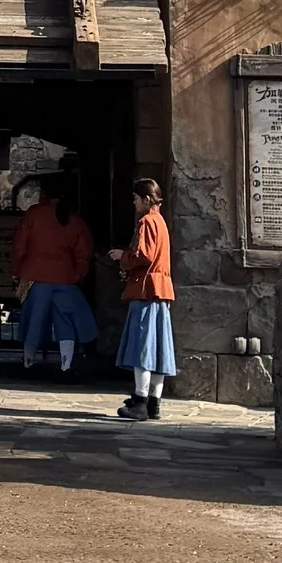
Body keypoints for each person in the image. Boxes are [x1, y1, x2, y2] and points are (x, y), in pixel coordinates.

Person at [10, 171, 96, 378]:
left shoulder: (33, 214)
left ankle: (28, 361)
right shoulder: (74, 220)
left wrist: (16, 271)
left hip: (36, 276)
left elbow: (20, 245)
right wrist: (77, 275)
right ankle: (66, 365)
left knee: (33, 321)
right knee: (65, 323)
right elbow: (84, 252)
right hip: (66, 278)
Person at [109, 176, 177, 420]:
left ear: (147, 199)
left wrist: (123, 256)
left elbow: (144, 256)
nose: (134, 203)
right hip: (161, 290)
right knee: (159, 349)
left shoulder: (147, 222)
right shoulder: (161, 222)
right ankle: (154, 403)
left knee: (142, 348)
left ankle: (139, 400)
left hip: (146, 290)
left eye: (136, 198)